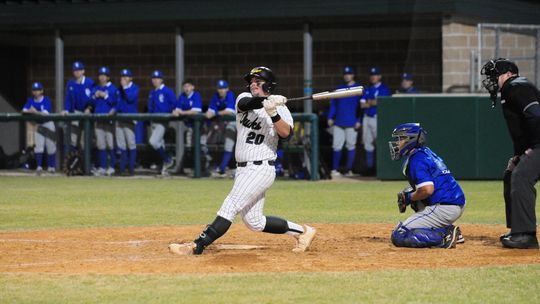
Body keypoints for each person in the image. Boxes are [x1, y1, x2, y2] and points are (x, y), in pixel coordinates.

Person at [169, 66, 316, 255]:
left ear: (269, 85)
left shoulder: (282, 108)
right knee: (254, 222)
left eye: (258, 81)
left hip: (261, 168)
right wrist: (266, 101)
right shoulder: (243, 99)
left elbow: (286, 133)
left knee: (230, 205)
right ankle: (303, 232)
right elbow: (248, 103)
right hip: (243, 169)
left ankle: (197, 246)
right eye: (251, 81)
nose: (253, 84)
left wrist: (274, 112)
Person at [481, 58, 540, 249]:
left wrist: (535, 145)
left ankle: (526, 235)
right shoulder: (512, 88)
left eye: (494, 76)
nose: (491, 81)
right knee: (513, 174)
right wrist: (519, 155)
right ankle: (518, 229)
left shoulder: (516, 86)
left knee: (521, 177)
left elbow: (536, 115)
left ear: (507, 74)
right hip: (534, 144)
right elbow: (520, 130)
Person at [388, 123, 465, 249]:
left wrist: (408, 197)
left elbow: (427, 190)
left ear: (411, 140)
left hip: (444, 207)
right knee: (414, 195)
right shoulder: (425, 153)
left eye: (401, 138)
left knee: (399, 235)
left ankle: (445, 235)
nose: (398, 143)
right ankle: (448, 228)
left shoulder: (417, 160)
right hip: (453, 203)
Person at [327, 66, 362, 177]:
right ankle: (335, 170)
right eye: (345, 74)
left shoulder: (358, 88)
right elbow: (334, 105)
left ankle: (349, 170)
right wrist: (330, 117)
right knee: (337, 146)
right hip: (339, 121)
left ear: (353, 75)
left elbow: (361, 107)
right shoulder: (339, 88)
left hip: (352, 122)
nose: (347, 75)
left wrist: (359, 120)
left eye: (349, 73)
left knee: (351, 146)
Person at [360, 67, 392, 176]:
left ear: (379, 76)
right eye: (372, 75)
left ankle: (381, 168)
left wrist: (372, 102)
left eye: (375, 75)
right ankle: (370, 167)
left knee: (379, 143)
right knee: (367, 143)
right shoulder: (368, 88)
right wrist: (372, 102)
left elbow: (382, 102)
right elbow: (362, 104)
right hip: (367, 118)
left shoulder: (384, 88)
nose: (373, 77)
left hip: (377, 118)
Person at [22, 82, 56, 174]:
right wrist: (30, 111)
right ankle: (39, 167)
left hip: (48, 123)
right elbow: (23, 110)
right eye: (34, 90)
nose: (36, 92)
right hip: (38, 124)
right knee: (39, 147)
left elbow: (45, 113)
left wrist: (35, 111)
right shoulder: (30, 100)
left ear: (41, 91)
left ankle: (51, 167)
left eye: (38, 90)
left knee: (51, 146)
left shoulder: (46, 99)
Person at [90, 66, 118, 176]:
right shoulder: (96, 87)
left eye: (104, 75)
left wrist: (105, 95)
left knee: (110, 144)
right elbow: (90, 101)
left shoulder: (112, 88)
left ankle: (111, 167)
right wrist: (94, 96)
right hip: (98, 119)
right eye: (100, 75)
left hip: (109, 119)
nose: (102, 77)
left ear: (108, 77)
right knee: (100, 144)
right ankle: (101, 167)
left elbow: (115, 103)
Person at [147, 70, 176, 175]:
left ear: (162, 79)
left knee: (153, 141)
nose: (155, 80)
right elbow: (150, 107)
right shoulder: (152, 92)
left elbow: (174, 104)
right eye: (153, 78)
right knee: (160, 144)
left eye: (157, 78)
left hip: (162, 121)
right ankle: (164, 169)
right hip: (153, 121)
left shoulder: (167, 91)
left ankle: (168, 160)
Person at [206, 79, 236, 177]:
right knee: (226, 145)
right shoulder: (215, 96)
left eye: (223, 88)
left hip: (238, 123)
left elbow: (229, 111)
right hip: (227, 124)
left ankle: (225, 168)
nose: (221, 90)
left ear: (227, 89)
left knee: (239, 147)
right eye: (220, 88)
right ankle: (222, 168)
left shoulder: (230, 95)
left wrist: (215, 113)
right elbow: (209, 113)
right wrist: (211, 113)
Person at [62, 61, 94, 151]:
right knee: (73, 139)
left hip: (86, 112)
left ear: (83, 71)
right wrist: (66, 110)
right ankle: (74, 163)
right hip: (75, 112)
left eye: (79, 70)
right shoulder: (70, 83)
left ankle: (87, 164)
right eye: (75, 70)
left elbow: (93, 99)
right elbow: (68, 98)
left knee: (85, 141)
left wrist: (89, 108)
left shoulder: (90, 82)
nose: (77, 72)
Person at [115, 68, 139, 175]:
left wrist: (124, 87)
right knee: (121, 145)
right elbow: (118, 102)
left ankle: (131, 168)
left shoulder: (134, 88)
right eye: (122, 77)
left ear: (130, 78)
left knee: (131, 144)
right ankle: (122, 168)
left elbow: (130, 98)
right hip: (120, 118)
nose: (123, 79)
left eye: (126, 77)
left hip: (129, 119)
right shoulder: (119, 89)